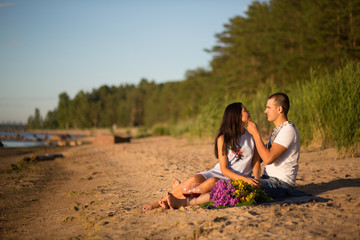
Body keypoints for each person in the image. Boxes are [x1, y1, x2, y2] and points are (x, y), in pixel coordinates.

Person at [143, 102, 261, 211]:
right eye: (245, 110)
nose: (249, 112)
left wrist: (256, 179)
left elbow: (256, 161)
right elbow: (224, 169)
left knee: (212, 182)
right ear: (236, 116)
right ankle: (159, 202)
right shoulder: (224, 138)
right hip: (221, 172)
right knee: (195, 179)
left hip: (238, 178)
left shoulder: (252, 134)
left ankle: (181, 200)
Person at [247, 92, 300, 198]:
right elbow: (262, 156)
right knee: (237, 181)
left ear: (279, 109)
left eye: (268, 107)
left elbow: (267, 158)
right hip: (268, 180)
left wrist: (256, 134)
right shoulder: (279, 130)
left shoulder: (288, 130)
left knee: (241, 188)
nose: (265, 111)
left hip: (281, 185)